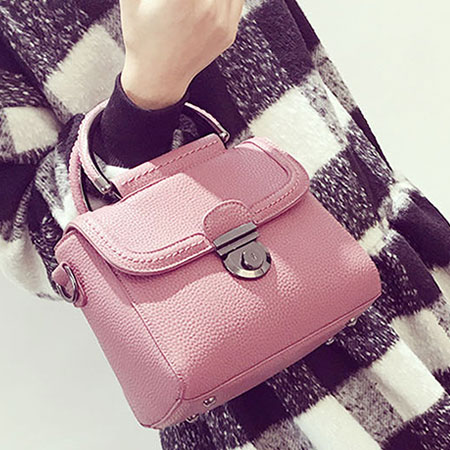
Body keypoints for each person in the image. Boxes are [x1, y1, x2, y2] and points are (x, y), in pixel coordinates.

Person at [1, 1, 449, 449]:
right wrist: (147, 93)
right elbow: (32, 248)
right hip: (264, 386)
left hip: (402, 269)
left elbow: (308, 79)